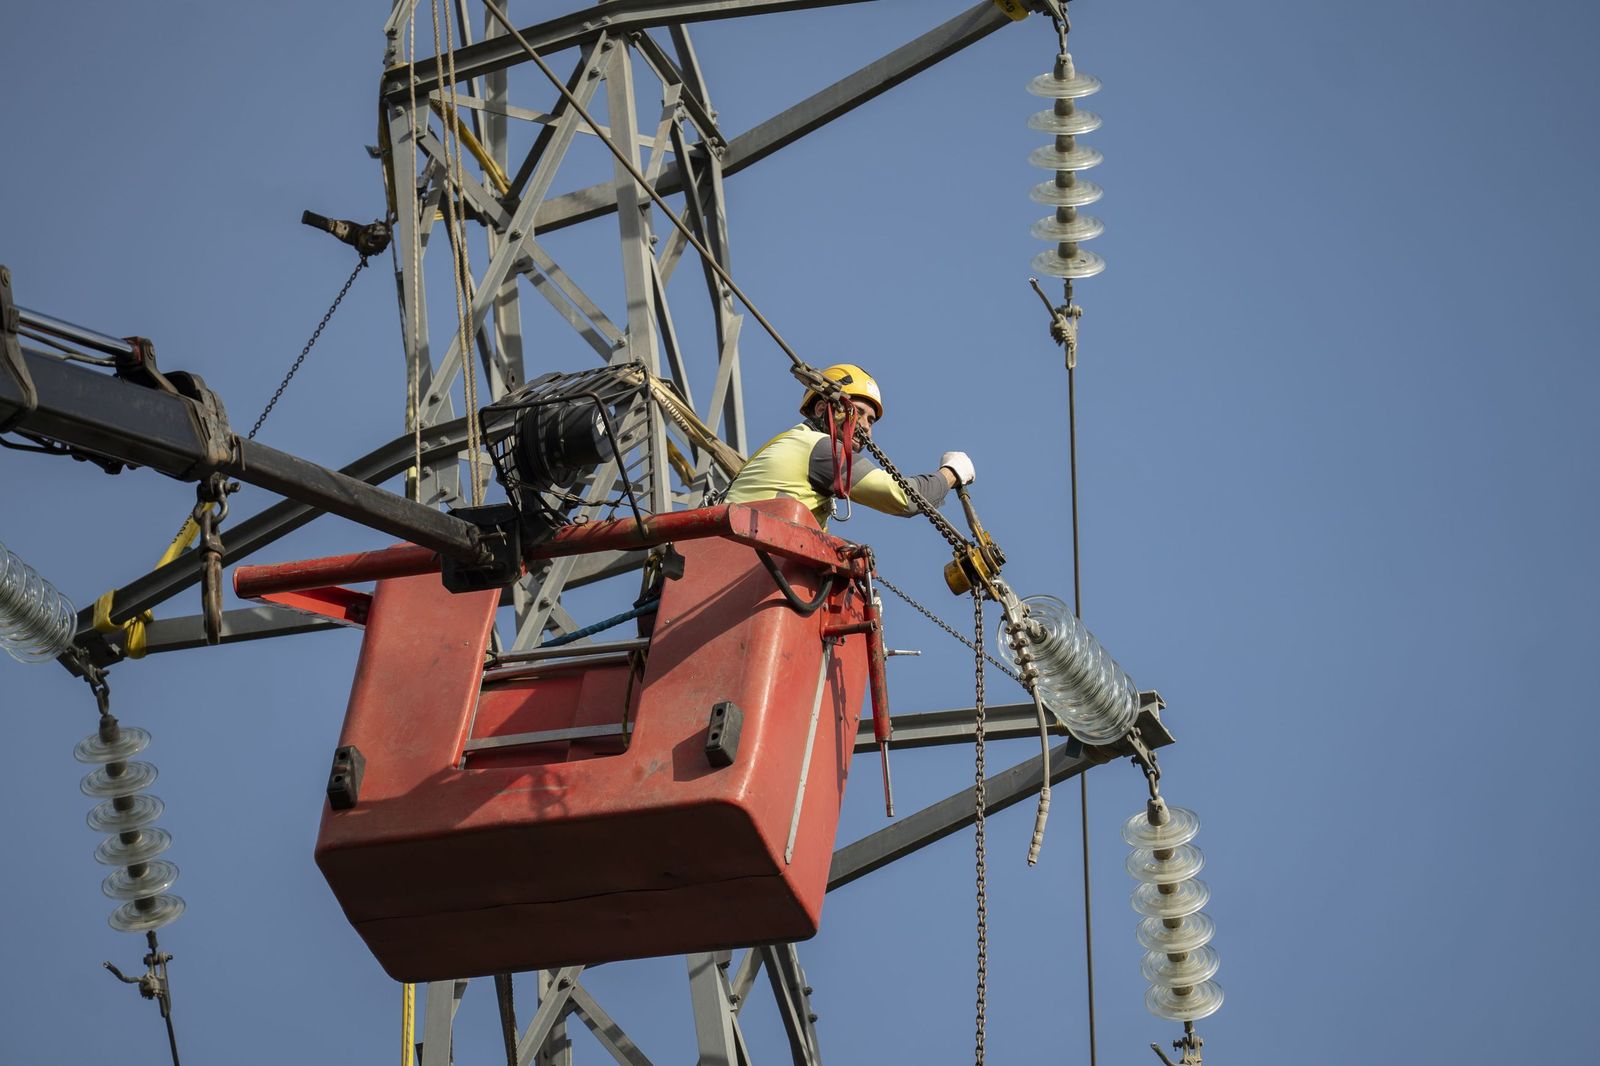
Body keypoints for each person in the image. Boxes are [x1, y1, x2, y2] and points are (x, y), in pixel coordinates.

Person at [724, 363, 975, 530]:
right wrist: (951, 473)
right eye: (858, 413)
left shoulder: (788, 443)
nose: (865, 426)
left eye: (871, 420)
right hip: (751, 565)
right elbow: (904, 498)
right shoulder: (818, 448)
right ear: (823, 408)